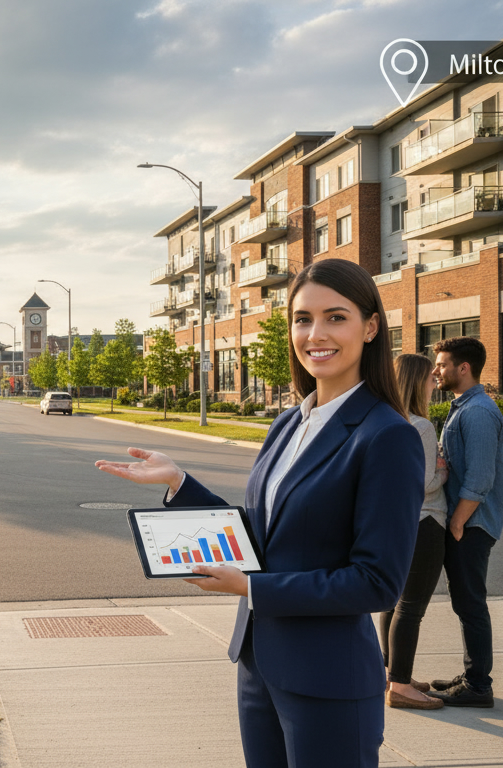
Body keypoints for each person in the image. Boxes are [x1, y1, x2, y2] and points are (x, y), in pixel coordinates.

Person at [95, 258, 422, 768]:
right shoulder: (290, 423)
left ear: (371, 326)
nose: (316, 333)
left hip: (328, 681)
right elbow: (262, 536)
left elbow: (377, 582)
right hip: (259, 665)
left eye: (336, 317)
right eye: (302, 318)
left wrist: (253, 587)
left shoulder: (386, 436)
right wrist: (180, 483)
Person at [426, 336, 503, 708]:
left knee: (471, 603)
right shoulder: (464, 407)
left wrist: (457, 523)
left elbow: (479, 477)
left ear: (464, 368)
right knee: (465, 602)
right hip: (466, 523)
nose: (435, 370)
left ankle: (479, 686)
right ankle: (472, 675)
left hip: (471, 525)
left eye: (441, 364)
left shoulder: (477, 412)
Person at [378, 354, 448, 710]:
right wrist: (443, 471)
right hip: (425, 521)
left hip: (394, 524)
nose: (435, 383)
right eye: (430, 379)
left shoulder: (384, 419)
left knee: (393, 601)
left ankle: (392, 674)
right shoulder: (420, 425)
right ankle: (402, 688)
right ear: (416, 382)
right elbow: (421, 484)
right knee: (412, 607)